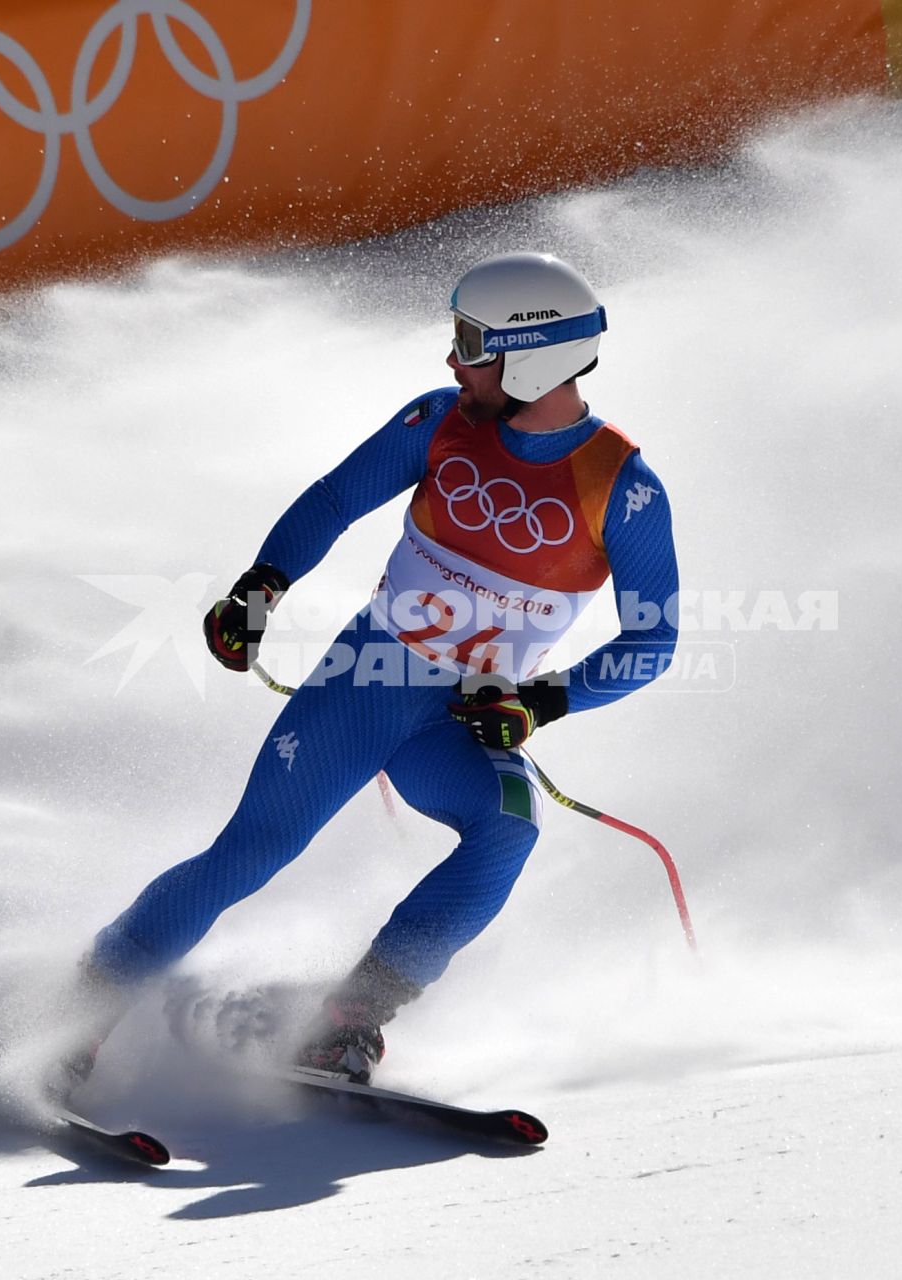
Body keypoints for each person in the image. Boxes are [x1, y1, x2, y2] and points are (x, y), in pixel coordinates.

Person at [58, 252, 680, 1091]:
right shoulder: (438, 420)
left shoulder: (622, 488)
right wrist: (258, 591)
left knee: (509, 827)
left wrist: (541, 703)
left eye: (471, 343)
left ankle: (348, 1020)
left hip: (463, 718)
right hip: (368, 680)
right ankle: (88, 999)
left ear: (533, 357)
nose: (452, 360)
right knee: (255, 851)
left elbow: (654, 641)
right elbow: (333, 500)